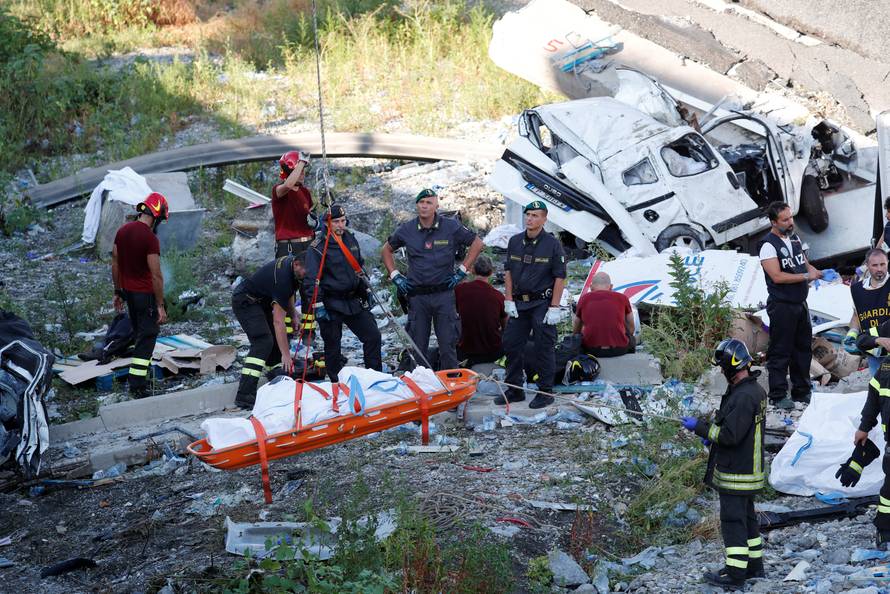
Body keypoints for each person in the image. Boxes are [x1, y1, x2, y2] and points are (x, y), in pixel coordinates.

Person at [680, 339, 767, 587]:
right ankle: (754, 567)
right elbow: (736, 427)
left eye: (722, 367)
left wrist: (702, 430)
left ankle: (736, 574)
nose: (720, 371)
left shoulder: (743, 396)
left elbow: (730, 436)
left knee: (732, 522)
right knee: (748, 520)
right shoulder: (752, 390)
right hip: (750, 470)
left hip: (736, 473)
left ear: (731, 367)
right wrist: (711, 432)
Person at [381, 188, 483, 370]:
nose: (425, 206)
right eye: (421, 202)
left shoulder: (451, 227)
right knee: (418, 347)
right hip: (417, 297)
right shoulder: (407, 229)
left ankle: (450, 383)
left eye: (429, 202)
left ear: (437, 205)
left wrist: (462, 271)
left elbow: (477, 243)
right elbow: (386, 250)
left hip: (443, 295)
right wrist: (395, 276)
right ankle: (420, 386)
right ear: (417, 205)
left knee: (447, 345)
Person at [497, 200, 567, 409]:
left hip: (542, 304)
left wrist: (554, 307)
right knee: (511, 344)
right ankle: (515, 389)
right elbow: (508, 272)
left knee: (543, 346)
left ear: (544, 219)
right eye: (528, 214)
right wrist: (508, 299)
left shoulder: (552, 245)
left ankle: (545, 391)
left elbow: (560, 277)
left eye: (535, 215)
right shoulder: (515, 241)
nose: (530, 218)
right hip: (519, 303)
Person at [304, 204, 382, 383]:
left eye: (343, 221)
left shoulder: (350, 239)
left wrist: (366, 290)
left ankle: (375, 377)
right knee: (333, 347)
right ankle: (336, 383)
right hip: (331, 304)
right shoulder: (317, 247)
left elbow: (359, 267)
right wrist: (318, 306)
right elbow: (311, 280)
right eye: (336, 222)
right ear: (326, 223)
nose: (340, 225)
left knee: (373, 336)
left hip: (353, 300)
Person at [759, 201, 823, 410]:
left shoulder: (794, 238)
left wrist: (817, 273)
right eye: (785, 220)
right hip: (782, 305)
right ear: (773, 222)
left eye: (791, 217)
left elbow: (804, 263)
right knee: (780, 351)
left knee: (803, 349)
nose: (790, 222)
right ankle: (777, 395)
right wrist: (806, 275)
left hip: (800, 303)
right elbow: (777, 276)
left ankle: (801, 391)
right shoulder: (768, 245)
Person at [111, 192, 168, 399]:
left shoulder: (122, 231)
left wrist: (118, 291)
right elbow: (156, 275)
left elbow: (115, 263)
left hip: (129, 293)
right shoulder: (150, 238)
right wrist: (160, 305)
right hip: (146, 295)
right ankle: (137, 386)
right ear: (156, 215)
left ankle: (140, 379)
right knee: (147, 337)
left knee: (139, 335)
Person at [231, 255, 306, 409]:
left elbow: (289, 294)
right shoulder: (283, 279)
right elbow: (278, 322)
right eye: (306, 270)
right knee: (263, 341)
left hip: (260, 301)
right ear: (297, 264)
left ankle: (275, 373)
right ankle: (245, 394)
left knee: (272, 338)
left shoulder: (291, 268)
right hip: (245, 300)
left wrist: (293, 316)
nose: (308, 274)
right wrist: (286, 355)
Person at [853, 320, 890, 547]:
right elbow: (859, 341)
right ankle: (884, 530)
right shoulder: (885, 369)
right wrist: (864, 428)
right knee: (889, 489)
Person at [273, 150, 316, 340]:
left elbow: (308, 214)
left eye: (304, 170)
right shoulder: (279, 190)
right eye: (299, 170)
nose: (303, 174)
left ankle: (308, 333)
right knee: (287, 290)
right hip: (288, 247)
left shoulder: (305, 192)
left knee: (310, 289)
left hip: (306, 245)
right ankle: (290, 332)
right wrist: (301, 161)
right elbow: (288, 184)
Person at [454, 255, 507, 366]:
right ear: (491, 272)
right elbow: (506, 326)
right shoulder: (498, 297)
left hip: (465, 351)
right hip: (492, 352)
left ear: (472, 270)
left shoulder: (460, 290)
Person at [845, 248, 890, 375]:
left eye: (883, 264)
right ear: (867, 266)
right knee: (878, 389)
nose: (879, 269)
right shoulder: (857, 289)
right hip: (873, 351)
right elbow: (856, 315)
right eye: (875, 265)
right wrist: (852, 332)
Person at [573, 272, 635, 357]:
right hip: (619, 349)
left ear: (591, 287)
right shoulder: (622, 298)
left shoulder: (584, 298)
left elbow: (577, 325)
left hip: (591, 350)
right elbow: (631, 326)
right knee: (627, 330)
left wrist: (576, 339)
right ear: (611, 287)